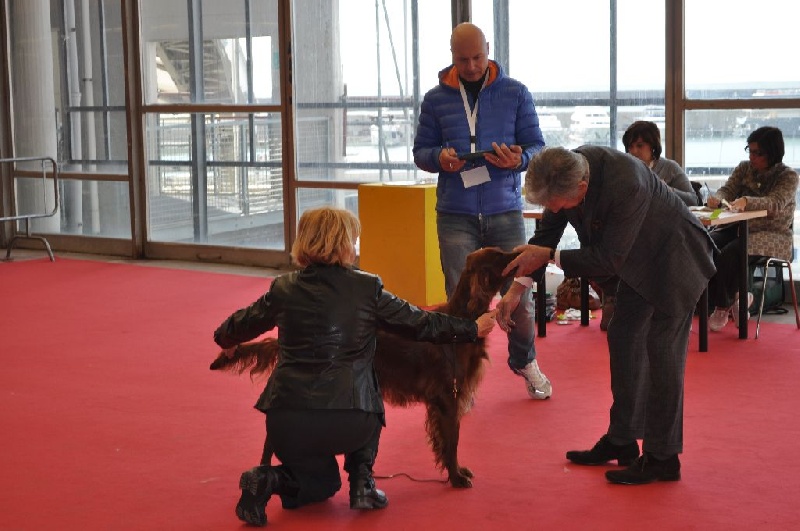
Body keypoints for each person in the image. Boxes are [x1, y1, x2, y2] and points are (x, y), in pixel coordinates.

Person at [213, 207, 497, 526]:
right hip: (349, 421)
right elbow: (422, 325)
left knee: (320, 485)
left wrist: (227, 342)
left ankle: (268, 480)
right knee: (367, 382)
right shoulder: (367, 288)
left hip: (286, 423)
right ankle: (363, 483)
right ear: (345, 242)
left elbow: (234, 327)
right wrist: (473, 329)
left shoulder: (282, 288)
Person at [497, 146, 716, 485]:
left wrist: (552, 255)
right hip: (635, 263)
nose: (553, 211)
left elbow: (607, 258)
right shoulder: (560, 172)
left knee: (662, 352)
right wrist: (515, 291)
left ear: (581, 189)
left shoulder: (626, 180)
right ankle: (623, 438)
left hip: (675, 258)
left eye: (556, 205)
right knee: (624, 336)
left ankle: (663, 457)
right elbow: (544, 238)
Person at [412, 22, 550, 399]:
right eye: (463, 59)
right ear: (451, 56)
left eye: (477, 57)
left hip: (504, 210)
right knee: (460, 304)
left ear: (488, 50)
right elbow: (420, 152)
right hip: (455, 212)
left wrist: (518, 160)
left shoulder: (516, 93)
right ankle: (460, 373)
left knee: (518, 297)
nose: (471, 66)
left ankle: (524, 359)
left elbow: (537, 147)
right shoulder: (435, 98)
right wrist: (439, 158)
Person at [592, 121, 701, 330]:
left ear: (653, 147)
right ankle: (614, 297)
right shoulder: (623, 169)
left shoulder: (668, 168)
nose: (634, 151)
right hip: (630, 231)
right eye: (630, 146)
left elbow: (692, 200)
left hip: (663, 233)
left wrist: (665, 191)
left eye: (639, 146)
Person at [706, 126, 798, 331]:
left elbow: (775, 203)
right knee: (706, 244)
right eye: (750, 150)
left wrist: (746, 201)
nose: (753, 157)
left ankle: (722, 306)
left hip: (772, 233)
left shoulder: (788, 176)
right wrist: (718, 199)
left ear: (773, 153)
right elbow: (727, 189)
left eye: (759, 153)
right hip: (738, 226)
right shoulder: (744, 168)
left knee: (731, 253)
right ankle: (740, 296)